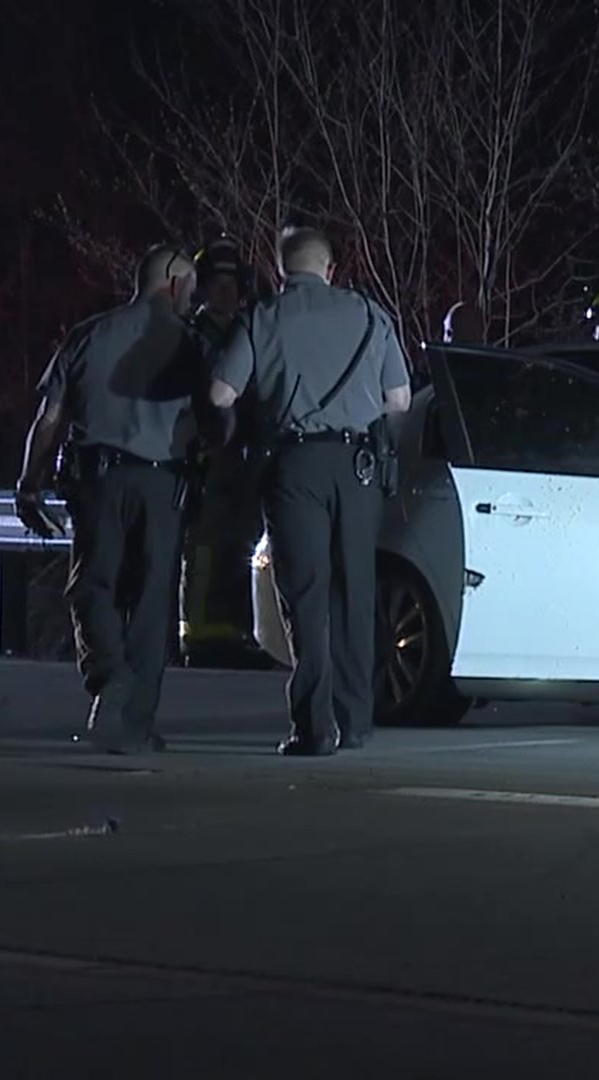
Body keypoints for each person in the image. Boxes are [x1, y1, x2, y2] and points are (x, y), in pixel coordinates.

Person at [208, 226, 412, 756]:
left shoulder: (263, 317)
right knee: (356, 591)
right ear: (330, 269)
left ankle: (314, 728)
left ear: (281, 271)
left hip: (294, 465)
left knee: (305, 596)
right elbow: (400, 399)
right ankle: (357, 719)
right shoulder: (370, 316)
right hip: (359, 466)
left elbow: (219, 391)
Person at [14, 243, 202, 754]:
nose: (193, 296)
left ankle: (108, 676)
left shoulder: (88, 334)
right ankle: (135, 722)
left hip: (98, 480)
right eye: (189, 284)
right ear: (171, 280)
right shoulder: (191, 343)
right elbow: (215, 413)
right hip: (164, 485)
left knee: (91, 586)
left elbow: (49, 417)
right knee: (152, 600)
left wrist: (28, 482)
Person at [177, 234, 273, 667]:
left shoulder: (250, 331)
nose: (227, 291)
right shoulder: (189, 336)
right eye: (218, 282)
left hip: (246, 457)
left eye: (233, 283)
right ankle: (198, 635)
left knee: (244, 544)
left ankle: (239, 632)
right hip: (203, 458)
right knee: (203, 547)